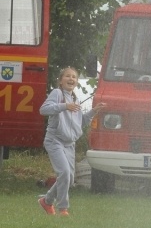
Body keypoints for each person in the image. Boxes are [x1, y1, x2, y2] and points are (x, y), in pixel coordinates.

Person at [38, 67, 105, 216]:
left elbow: (80, 122)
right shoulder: (57, 93)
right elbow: (43, 110)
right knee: (64, 173)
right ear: (61, 81)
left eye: (74, 77)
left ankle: (46, 201)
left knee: (69, 178)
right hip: (54, 140)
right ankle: (63, 208)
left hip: (69, 143)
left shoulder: (75, 98)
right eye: (67, 76)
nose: (71, 79)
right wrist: (64, 106)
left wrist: (94, 111)